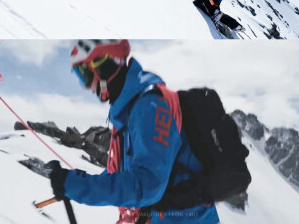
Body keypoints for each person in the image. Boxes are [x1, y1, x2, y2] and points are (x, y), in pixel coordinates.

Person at [48, 40, 220, 224]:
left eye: (84, 74)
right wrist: (74, 182)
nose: (86, 86)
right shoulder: (126, 114)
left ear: (104, 64)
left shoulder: (151, 105)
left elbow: (149, 185)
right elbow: (120, 174)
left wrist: (79, 185)